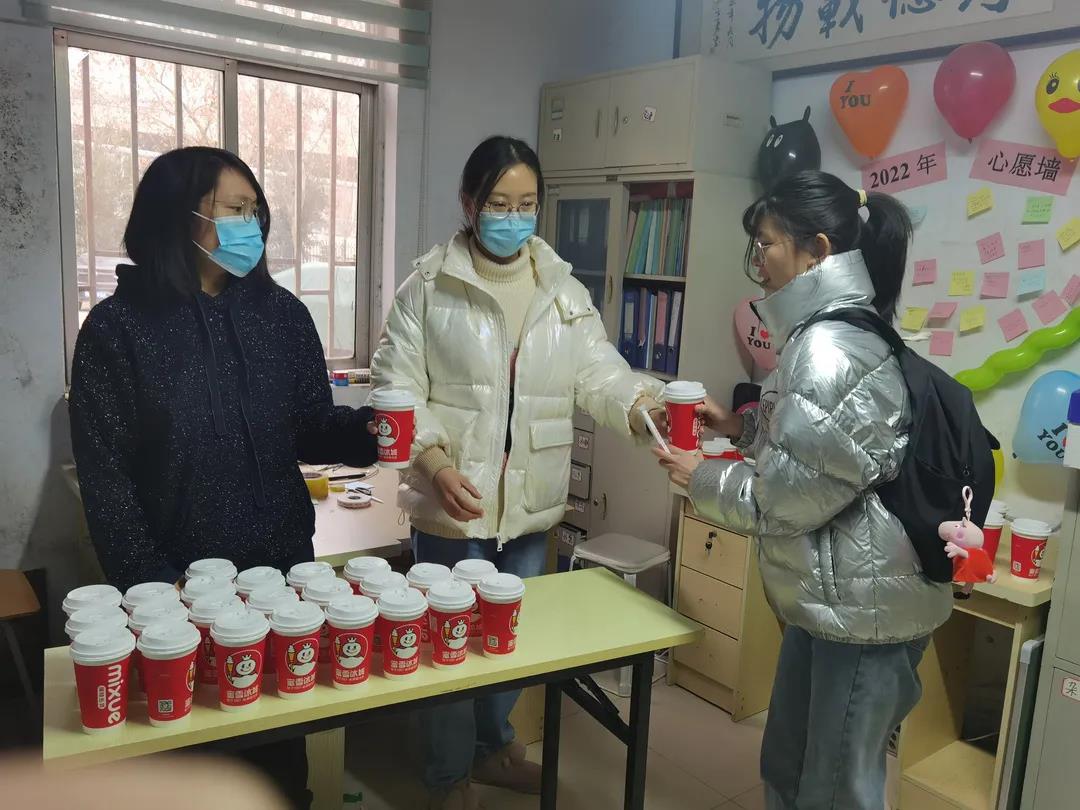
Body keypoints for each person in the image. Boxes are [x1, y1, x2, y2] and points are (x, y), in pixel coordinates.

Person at [68, 146, 378, 809]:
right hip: (178, 595)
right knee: (190, 772)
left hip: (280, 581)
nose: (253, 226)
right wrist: (154, 586)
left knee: (279, 767)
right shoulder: (117, 331)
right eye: (235, 210)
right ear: (177, 218)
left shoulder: (282, 314)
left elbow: (309, 426)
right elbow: (107, 481)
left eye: (256, 211)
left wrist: (368, 432)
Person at [370, 135, 665, 810]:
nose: (513, 216)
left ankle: (494, 749)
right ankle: (447, 775)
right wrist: (435, 465)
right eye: (499, 202)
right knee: (450, 648)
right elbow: (396, 387)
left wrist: (645, 406)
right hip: (453, 504)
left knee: (507, 646)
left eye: (527, 203)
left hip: (530, 508)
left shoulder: (562, 290)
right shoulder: (428, 288)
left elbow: (601, 373)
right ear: (469, 202)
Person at [653, 171, 952, 810]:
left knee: (836, 787)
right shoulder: (827, 332)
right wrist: (738, 427)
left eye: (767, 244)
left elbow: (787, 499)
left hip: (865, 610)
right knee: (789, 767)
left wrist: (700, 476)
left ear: (817, 250)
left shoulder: (829, 347)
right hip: (831, 599)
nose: (757, 261)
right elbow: (818, 449)